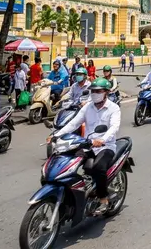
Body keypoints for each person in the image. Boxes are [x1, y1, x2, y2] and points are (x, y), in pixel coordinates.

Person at [52, 78, 121, 215]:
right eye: (93, 91)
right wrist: (57, 135)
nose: (94, 93)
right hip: (88, 145)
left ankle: (103, 199)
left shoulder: (114, 108)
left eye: (98, 91)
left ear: (106, 92)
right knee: (67, 162)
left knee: (98, 167)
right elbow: (74, 123)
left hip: (106, 146)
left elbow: (114, 127)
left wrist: (102, 139)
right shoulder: (87, 107)